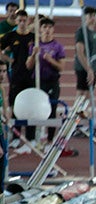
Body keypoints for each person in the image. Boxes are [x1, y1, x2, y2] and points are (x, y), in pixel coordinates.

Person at [26, 17, 68, 148]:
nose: (47, 30)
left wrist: (50, 60)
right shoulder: (34, 45)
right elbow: (28, 66)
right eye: (44, 27)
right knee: (33, 110)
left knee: (51, 109)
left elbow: (61, 67)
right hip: (37, 81)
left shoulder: (58, 47)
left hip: (52, 82)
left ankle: (50, 140)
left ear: (53, 30)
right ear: (40, 29)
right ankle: (31, 139)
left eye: (50, 27)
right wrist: (33, 55)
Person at [0, 9, 33, 126]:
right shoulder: (11, 36)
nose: (22, 23)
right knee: (15, 103)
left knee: (30, 104)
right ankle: (15, 133)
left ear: (28, 21)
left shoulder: (33, 37)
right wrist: (8, 59)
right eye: (20, 20)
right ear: (16, 21)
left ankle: (30, 135)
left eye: (25, 20)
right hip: (16, 74)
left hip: (31, 75)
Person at [73, 6, 96, 108]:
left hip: (92, 67)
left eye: (94, 16)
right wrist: (88, 69)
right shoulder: (81, 32)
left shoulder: (94, 33)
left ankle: (82, 116)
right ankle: (75, 117)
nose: (93, 18)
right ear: (85, 17)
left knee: (89, 94)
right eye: (90, 16)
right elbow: (80, 52)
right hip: (83, 67)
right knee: (81, 94)